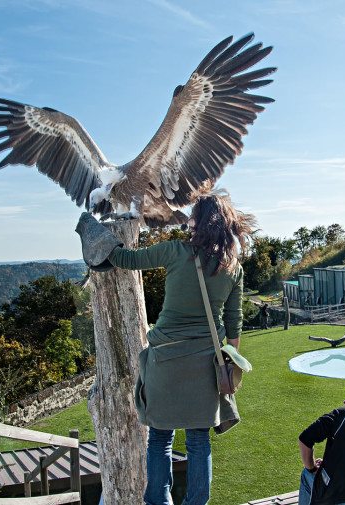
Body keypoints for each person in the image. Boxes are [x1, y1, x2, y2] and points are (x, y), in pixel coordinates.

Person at [85, 192, 253, 505]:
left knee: (160, 438)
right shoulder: (233, 268)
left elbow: (126, 260)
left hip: (165, 360)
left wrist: (93, 230)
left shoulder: (176, 251)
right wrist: (229, 362)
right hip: (206, 364)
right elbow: (234, 322)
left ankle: (158, 501)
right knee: (199, 440)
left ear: (198, 221)